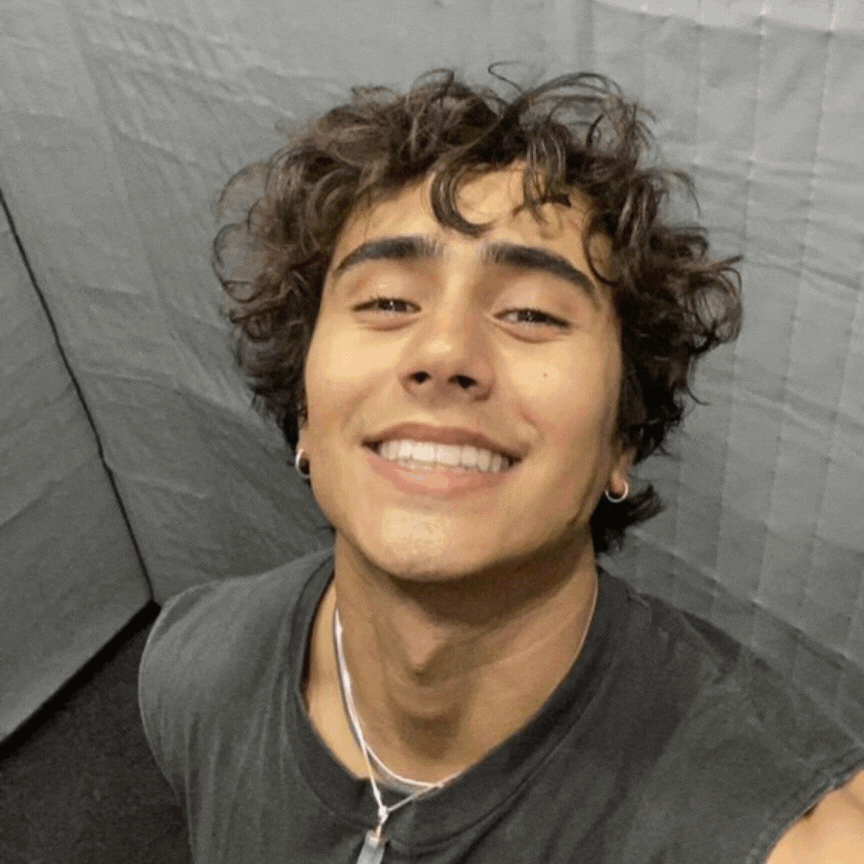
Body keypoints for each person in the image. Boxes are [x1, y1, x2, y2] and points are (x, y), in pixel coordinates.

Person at [139, 69, 864, 863]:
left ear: (623, 436)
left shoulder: (791, 837)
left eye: (530, 313)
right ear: (305, 408)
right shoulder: (192, 669)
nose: (445, 351)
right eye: (387, 301)